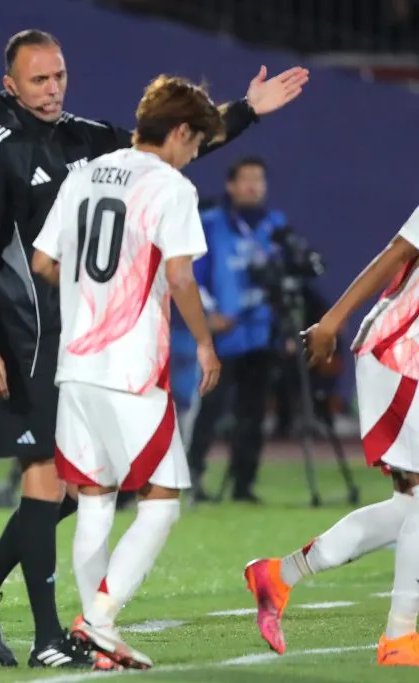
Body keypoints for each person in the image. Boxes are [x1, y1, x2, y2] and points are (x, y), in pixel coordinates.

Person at [0, 28, 309, 668]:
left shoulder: (84, 139)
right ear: (11, 85)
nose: (52, 89)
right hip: (25, 342)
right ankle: (49, 637)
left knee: (83, 489)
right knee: (52, 482)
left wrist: (243, 112)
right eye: (38, 80)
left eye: (58, 76)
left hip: (77, 344)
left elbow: (167, 144)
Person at [30, 74, 223, 670]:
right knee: (162, 501)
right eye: (196, 144)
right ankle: (101, 620)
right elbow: (183, 277)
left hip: (76, 368)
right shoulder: (170, 185)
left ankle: (98, 644)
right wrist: (206, 345)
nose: (194, 156)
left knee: (94, 500)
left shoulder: (84, 173)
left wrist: (91, 294)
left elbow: (43, 261)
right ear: (182, 131)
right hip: (131, 368)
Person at [245, 203, 419, 667]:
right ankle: (400, 638)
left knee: (409, 506)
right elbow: (396, 252)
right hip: (399, 355)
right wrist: (331, 321)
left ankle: (279, 575)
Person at [184, 157, 287, 503]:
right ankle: (194, 478)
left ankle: (244, 485)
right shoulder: (210, 224)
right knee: (211, 411)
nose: (253, 186)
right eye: (246, 179)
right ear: (231, 184)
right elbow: (190, 275)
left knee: (253, 414)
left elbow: (283, 276)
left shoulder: (274, 225)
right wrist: (209, 314)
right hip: (224, 336)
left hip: (260, 333)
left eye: (259, 179)